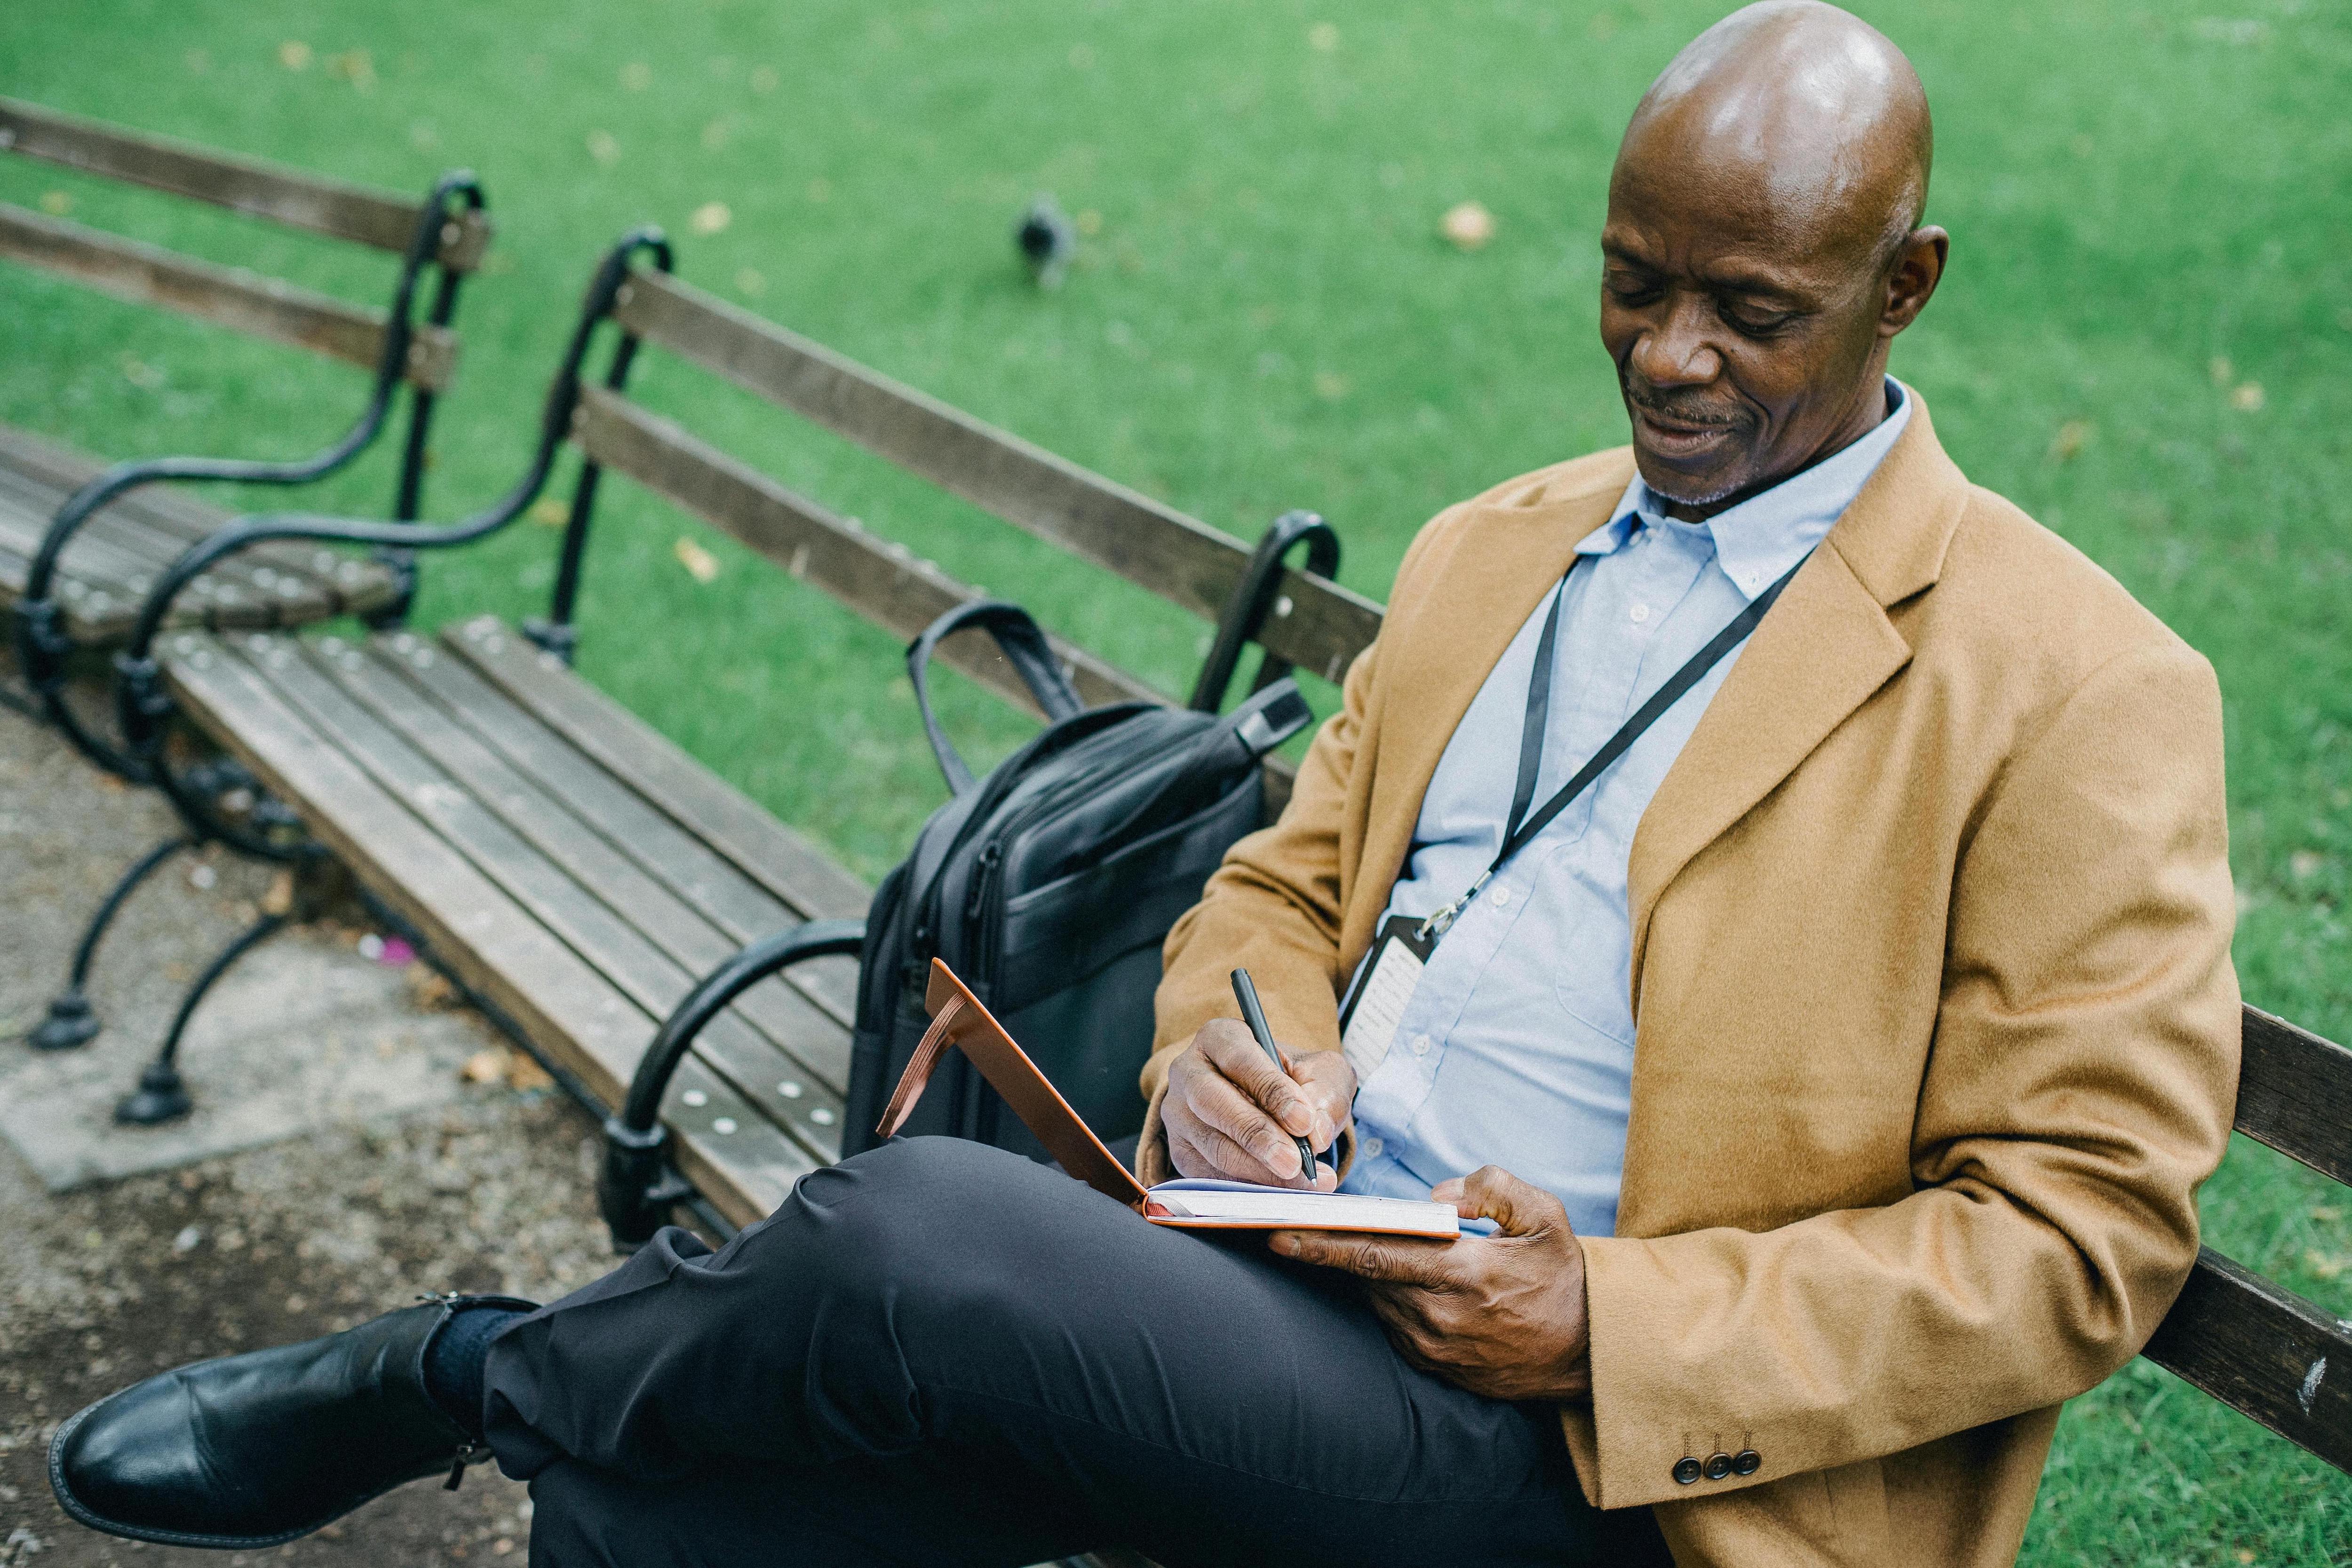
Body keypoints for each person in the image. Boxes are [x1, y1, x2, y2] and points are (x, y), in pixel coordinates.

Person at [46, 4, 2238, 1565]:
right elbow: (1277, 895)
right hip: (1274, 1257)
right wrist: (1219, 1060)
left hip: (1592, 1459)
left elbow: (2081, 1240)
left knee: (901, 1253)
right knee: (703, 1481)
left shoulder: (2071, 688)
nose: (1667, 359)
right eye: (1628, 285)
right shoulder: (1503, 544)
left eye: (1744, 312)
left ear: (1903, 285)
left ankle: (440, 1378)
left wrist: (1609, 1318)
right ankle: (540, 1425)